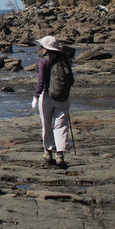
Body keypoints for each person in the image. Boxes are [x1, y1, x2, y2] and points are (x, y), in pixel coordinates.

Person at [32, 35, 71, 168]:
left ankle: (48, 153)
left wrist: (36, 97)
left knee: (46, 125)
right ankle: (60, 155)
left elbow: (41, 81)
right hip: (63, 97)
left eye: (42, 46)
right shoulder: (65, 59)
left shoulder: (44, 61)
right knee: (61, 126)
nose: (41, 49)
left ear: (46, 49)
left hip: (46, 96)